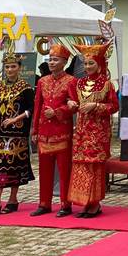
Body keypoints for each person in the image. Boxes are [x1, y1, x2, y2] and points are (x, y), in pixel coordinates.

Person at [67, 41, 119, 218]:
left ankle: (95, 204)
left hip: (98, 133)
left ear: (100, 64)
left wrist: (96, 106)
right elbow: (73, 104)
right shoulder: (79, 83)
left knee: (95, 167)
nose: (87, 66)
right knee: (81, 166)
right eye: (86, 63)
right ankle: (85, 202)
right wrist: (72, 104)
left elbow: (114, 106)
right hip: (81, 132)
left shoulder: (106, 84)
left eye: (91, 63)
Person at [30, 44, 77, 217]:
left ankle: (65, 204)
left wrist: (58, 112)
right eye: (50, 59)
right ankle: (44, 203)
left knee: (64, 170)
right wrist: (34, 130)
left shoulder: (71, 81)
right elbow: (37, 106)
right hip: (44, 131)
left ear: (64, 62)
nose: (51, 62)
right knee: (44, 169)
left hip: (62, 131)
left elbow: (74, 106)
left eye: (55, 59)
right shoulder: (42, 81)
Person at [0, 52, 35, 217]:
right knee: (1, 166)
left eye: (13, 66)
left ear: (19, 68)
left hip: (17, 133)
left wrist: (16, 119)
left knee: (15, 167)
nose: (10, 69)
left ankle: (12, 199)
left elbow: (31, 109)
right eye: (7, 67)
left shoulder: (25, 87)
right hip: (1, 133)